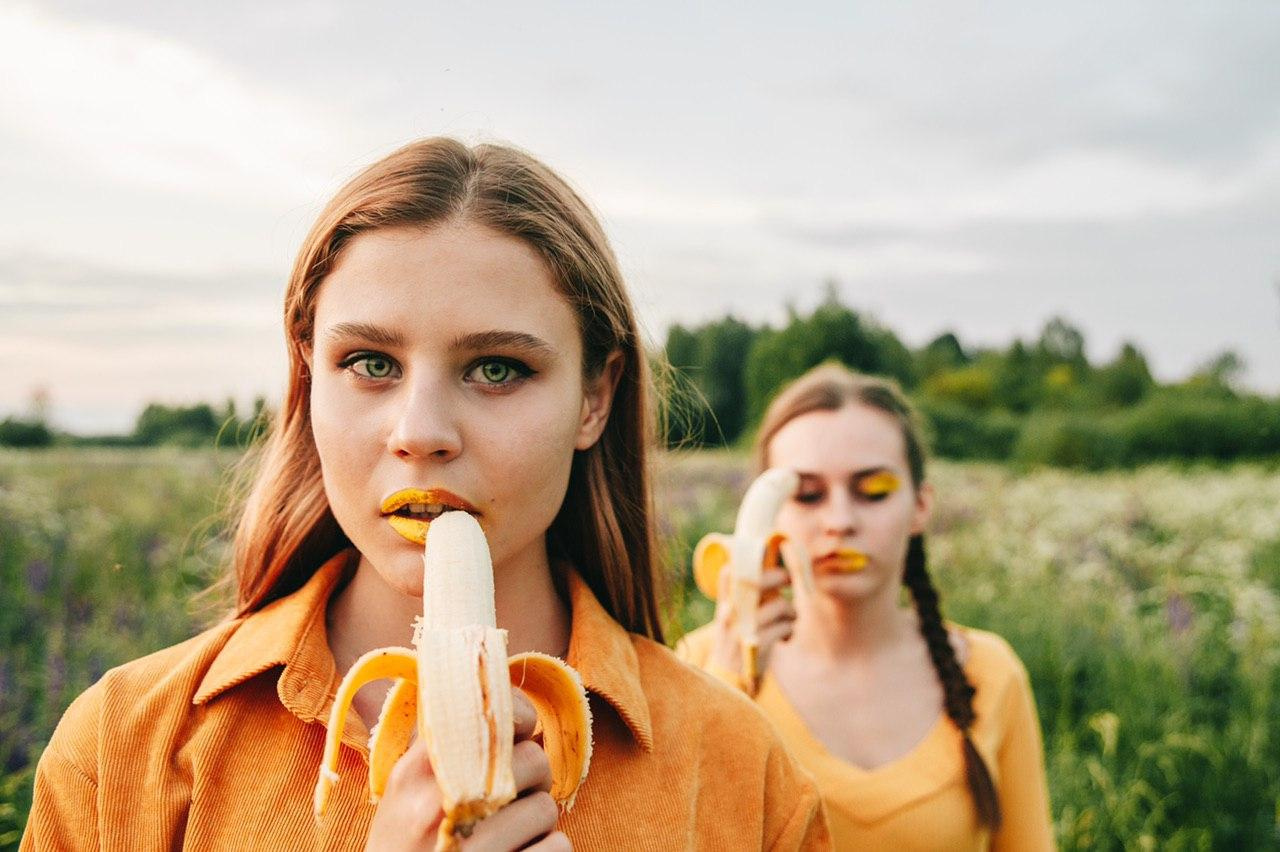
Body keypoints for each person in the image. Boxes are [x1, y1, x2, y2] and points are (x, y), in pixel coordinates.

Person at [21, 139, 829, 850]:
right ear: (308, 379)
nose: (421, 431)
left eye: (498, 369)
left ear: (595, 398)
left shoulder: (743, 775)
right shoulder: (122, 747)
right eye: (371, 362)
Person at [677, 363, 1053, 850]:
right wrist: (727, 692)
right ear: (768, 515)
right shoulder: (696, 666)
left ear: (921, 505)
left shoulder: (989, 671)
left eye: (872, 491)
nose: (839, 521)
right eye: (808, 495)